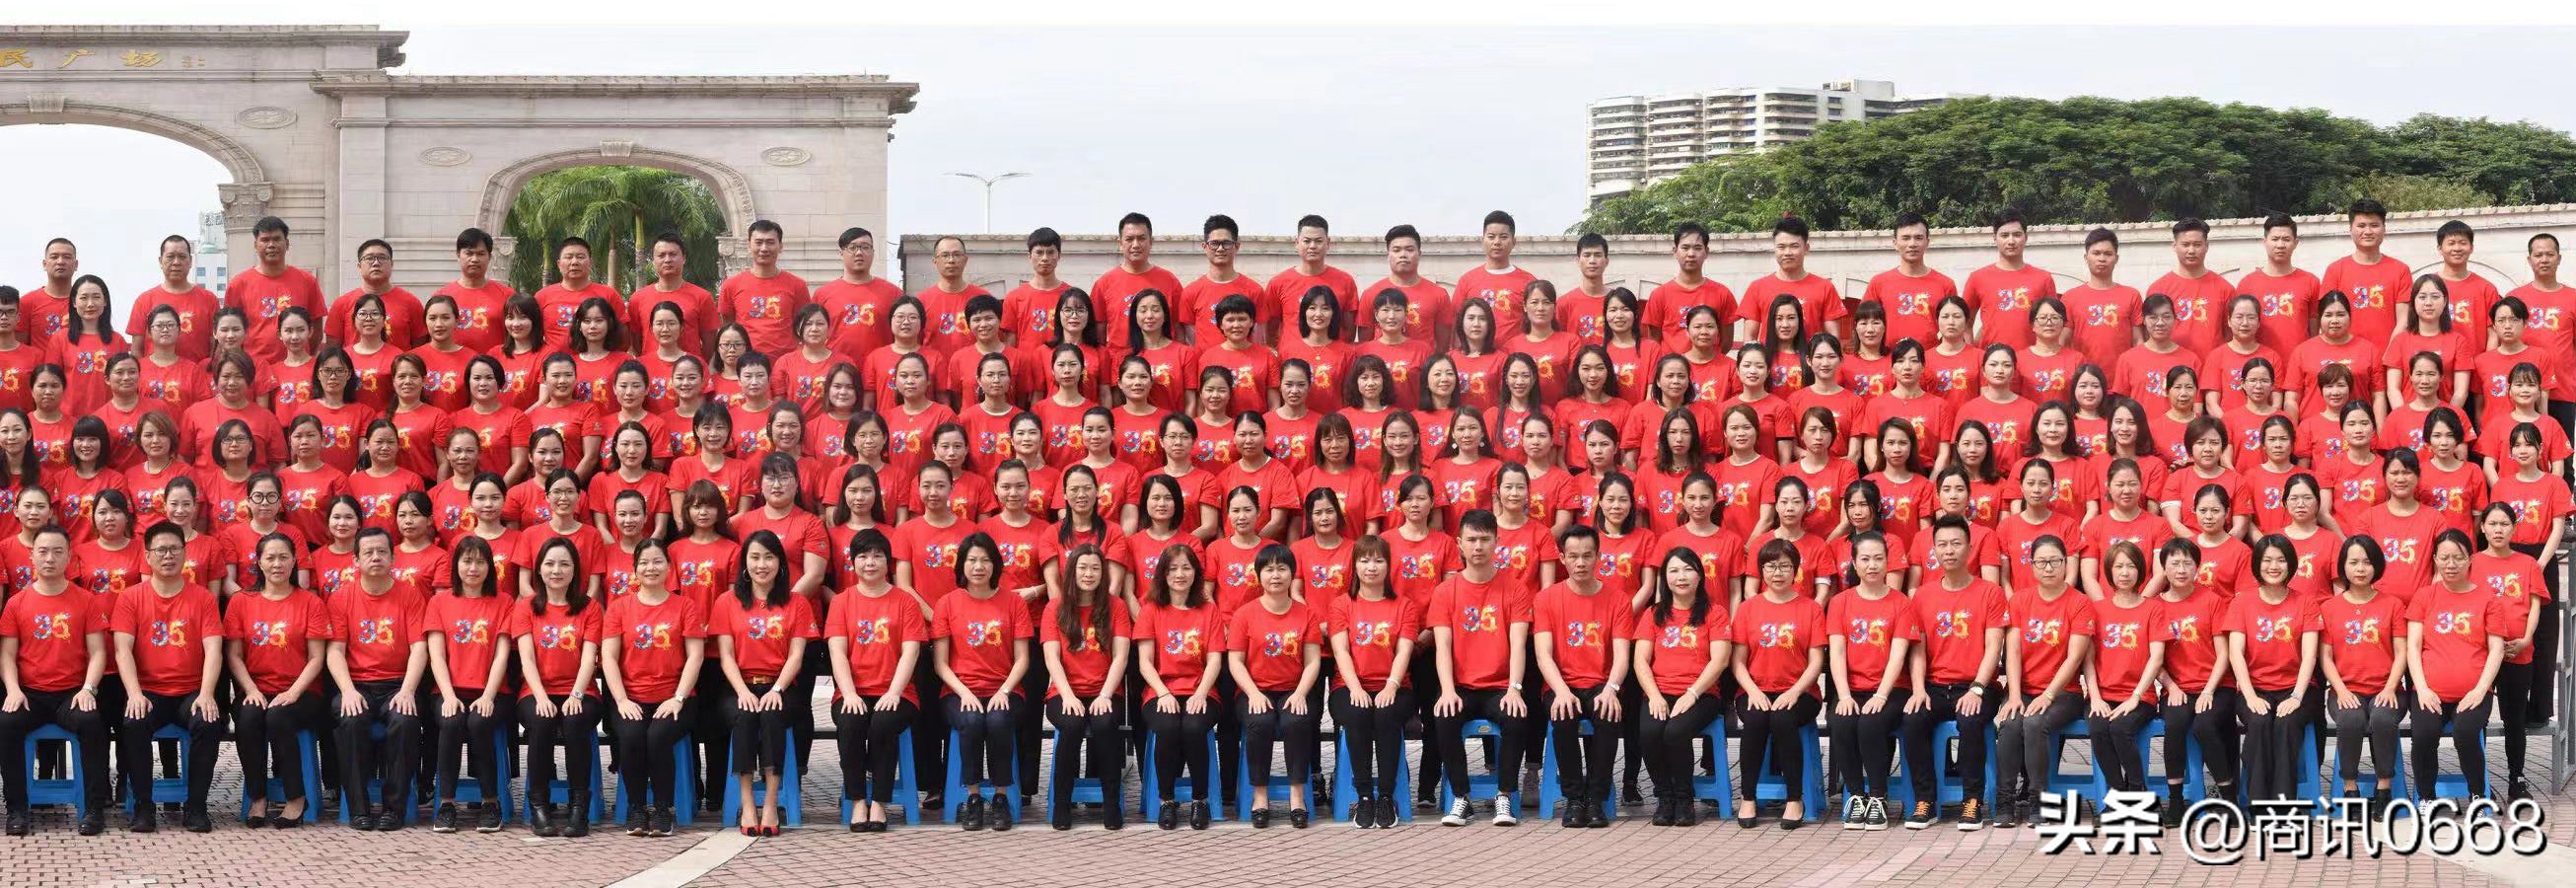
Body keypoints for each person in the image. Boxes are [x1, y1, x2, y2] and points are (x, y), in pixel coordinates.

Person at [0, 524, 112, 834]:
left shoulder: (86, 600)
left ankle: (93, 809)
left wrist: (89, 689)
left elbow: (98, 652)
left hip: (71, 694)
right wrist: (12, 690)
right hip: (30, 694)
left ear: (70, 558)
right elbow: (7, 655)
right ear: (31, 557)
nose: (50, 558)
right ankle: (17, 809)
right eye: (43, 551)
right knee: (7, 723)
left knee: (92, 723)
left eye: (57, 551)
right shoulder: (16, 603)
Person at [1897, 515, 2007, 830]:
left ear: (1970, 549)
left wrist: (1976, 688)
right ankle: (1925, 800)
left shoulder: (1989, 592)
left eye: (1956, 543)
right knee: (1912, 720)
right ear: (1933, 551)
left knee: (1971, 721)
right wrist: (1918, 688)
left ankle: (1972, 801)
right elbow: (1917, 650)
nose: (1949, 550)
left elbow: (1993, 647)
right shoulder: (1922, 596)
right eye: (1942, 545)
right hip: (1933, 685)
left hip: (1976, 685)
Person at [1427, 509, 1534, 827]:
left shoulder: (1514, 588)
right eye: (1471, 539)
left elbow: (1518, 644)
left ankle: (1505, 794)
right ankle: (1462, 797)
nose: (1478, 546)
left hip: (1499, 685)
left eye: (1485, 539)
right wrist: (1447, 690)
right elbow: (1442, 646)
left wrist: (1514, 688)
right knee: (1443, 714)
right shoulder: (1446, 591)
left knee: (1516, 715)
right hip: (1460, 685)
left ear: (1496, 543)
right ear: (1459, 543)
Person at [712, 530, 820, 837]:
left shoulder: (797, 603)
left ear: (781, 563)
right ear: (745, 564)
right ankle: (747, 803)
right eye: (755, 557)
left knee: (773, 716)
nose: (762, 564)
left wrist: (776, 690)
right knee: (745, 716)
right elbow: (726, 656)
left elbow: (796, 656)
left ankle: (771, 802)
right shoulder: (727, 601)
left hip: (781, 685)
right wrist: (743, 691)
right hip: (739, 685)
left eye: (769, 557)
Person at [322, 528, 425, 832]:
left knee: (405, 722)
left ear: (393, 557)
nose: (376, 557)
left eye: (382, 551)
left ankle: (394, 808)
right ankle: (359, 808)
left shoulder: (409, 593)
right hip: (357, 684)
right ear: (355, 560)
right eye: (368, 552)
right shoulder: (342, 597)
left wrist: (408, 690)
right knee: (350, 719)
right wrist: (348, 691)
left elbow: (420, 647)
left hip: (397, 684)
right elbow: (335, 652)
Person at [824, 528, 923, 832]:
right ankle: (857, 800)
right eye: (863, 556)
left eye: (878, 556)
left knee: (883, 722)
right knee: (851, 723)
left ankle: (879, 801)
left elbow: (911, 651)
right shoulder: (842, 601)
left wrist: (894, 692)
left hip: (897, 693)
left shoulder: (905, 601)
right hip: (852, 692)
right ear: (852, 562)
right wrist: (849, 693)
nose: (870, 562)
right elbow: (837, 652)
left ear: (888, 562)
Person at [930, 532, 1030, 831]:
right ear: (961, 565)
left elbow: (1023, 658)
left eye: (985, 560)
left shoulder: (1013, 603)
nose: (978, 567)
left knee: (999, 721)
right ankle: (973, 797)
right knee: (971, 721)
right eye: (972, 560)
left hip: (1005, 688)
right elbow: (941, 664)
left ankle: (1000, 798)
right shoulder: (947, 603)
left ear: (996, 565)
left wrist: (1004, 690)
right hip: (958, 690)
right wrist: (964, 692)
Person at [1532, 525, 1627, 828]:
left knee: (1609, 714)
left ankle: (1596, 798)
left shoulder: (1618, 598)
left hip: (1602, 682)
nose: (1581, 563)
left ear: (1599, 556)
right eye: (1573, 556)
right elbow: (1543, 654)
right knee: (1563, 716)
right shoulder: (1547, 599)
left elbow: (1622, 654)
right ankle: (1574, 798)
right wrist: (1560, 690)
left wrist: (1611, 689)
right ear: (1562, 558)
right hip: (1562, 683)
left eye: (1588, 555)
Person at [2406, 529, 2509, 807]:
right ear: (2435, 559)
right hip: (2429, 691)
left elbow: (2496, 649)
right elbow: (2413, 647)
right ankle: (2427, 797)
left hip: (2474, 691)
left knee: (2465, 733)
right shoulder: (2424, 597)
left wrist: (2480, 690)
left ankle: (2478, 795)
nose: (2451, 564)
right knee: (2424, 734)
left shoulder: (2488, 599)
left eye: (2458, 558)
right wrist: (2423, 689)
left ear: (2470, 560)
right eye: (2444, 558)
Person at [1730, 539, 1827, 830]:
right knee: (1757, 720)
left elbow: (1816, 662)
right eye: (1771, 566)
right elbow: (1737, 661)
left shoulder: (1810, 609)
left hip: (1802, 692)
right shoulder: (1748, 609)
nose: (1778, 572)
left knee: (1783, 719)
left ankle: (1794, 798)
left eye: (1785, 566)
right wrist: (1753, 691)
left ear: (1796, 571)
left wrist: (1795, 691)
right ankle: (1748, 797)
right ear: (1761, 570)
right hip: (1754, 689)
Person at [1326, 535, 1420, 830]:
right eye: (1365, 560)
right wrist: (1354, 687)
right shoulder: (1342, 605)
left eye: (1379, 560)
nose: (1371, 567)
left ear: (1389, 566)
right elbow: (1340, 650)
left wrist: (1391, 685)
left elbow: (1405, 649)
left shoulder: (1404, 605)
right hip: (1349, 686)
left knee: (1387, 714)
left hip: (1395, 686)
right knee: (1357, 714)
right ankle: (1364, 795)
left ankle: (1387, 796)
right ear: (1354, 566)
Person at [1225, 544, 1323, 829]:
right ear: (1258, 576)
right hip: (1255, 690)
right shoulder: (1244, 614)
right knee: (1260, 723)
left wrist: (1301, 693)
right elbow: (1236, 662)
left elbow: (1313, 661)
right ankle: (1260, 796)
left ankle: (1297, 796)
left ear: (1292, 574)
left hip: (1295, 688)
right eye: (1269, 569)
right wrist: (1253, 692)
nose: (1276, 575)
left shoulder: (1307, 614)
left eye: (1282, 568)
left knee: (1297, 722)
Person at [1825, 531, 1914, 831]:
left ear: (1888, 562)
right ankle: (1856, 795)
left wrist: (1880, 695)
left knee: (1871, 723)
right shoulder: (1840, 602)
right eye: (1865, 559)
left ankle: (1878, 795)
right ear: (1853, 563)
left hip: (1892, 689)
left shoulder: (1900, 602)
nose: (1872, 565)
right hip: (1851, 688)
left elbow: (1898, 655)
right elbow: (1837, 652)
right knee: (1841, 721)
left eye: (1878, 558)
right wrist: (1844, 695)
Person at [514, 537, 602, 838]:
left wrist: (576, 694)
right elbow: (526, 658)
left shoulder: (589, 608)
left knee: (576, 721)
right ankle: (539, 804)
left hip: (581, 691)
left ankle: (580, 806)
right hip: (536, 691)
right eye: (550, 564)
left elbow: (590, 656)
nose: (556, 570)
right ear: (539, 570)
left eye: (564, 564)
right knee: (541, 721)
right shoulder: (526, 607)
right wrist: (540, 696)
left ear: (575, 570)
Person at [2226, 536, 2321, 804]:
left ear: (2291, 564)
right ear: (2257, 564)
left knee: (2286, 724)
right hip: (2254, 688)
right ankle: (2257, 801)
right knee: (2258, 723)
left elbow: (2309, 655)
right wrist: (2251, 697)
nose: (2274, 566)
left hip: (2298, 689)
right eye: (2267, 560)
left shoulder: (2306, 602)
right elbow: (2236, 654)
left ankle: (2281, 802)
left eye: (2280, 560)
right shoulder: (2242, 602)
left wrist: (2296, 697)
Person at [2151, 538, 2237, 826]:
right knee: (2174, 724)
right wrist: (2171, 686)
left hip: (2216, 685)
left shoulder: (2212, 601)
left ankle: (2229, 798)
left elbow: (2223, 654)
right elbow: (2155, 660)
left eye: (2188, 562)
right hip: (2177, 688)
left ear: (2198, 567)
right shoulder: (2155, 607)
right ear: (2163, 568)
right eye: (2174, 563)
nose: (2181, 568)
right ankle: (2175, 801)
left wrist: (2209, 690)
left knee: (2204, 724)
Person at [2319, 536, 2404, 818]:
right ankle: (2350, 787)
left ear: (2377, 566)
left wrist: (2391, 687)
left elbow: (2402, 651)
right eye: (2353, 562)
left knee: (2381, 718)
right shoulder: (2330, 608)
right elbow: (2325, 656)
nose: (2360, 569)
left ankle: (2383, 788)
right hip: (2345, 689)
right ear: (2343, 566)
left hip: (2387, 689)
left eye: (2367, 562)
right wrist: (2341, 691)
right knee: (2351, 719)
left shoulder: (2393, 604)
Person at [2469, 503, 2547, 799]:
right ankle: (2478, 782)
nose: (2499, 529)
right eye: (2493, 524)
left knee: (2514, 719)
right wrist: (2488, 645)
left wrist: (2526, 638)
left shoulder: (2527, 564)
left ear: (2514, 529)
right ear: (2483, 528)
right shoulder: (2472, 562)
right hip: (2480, 655)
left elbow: (2535, 604)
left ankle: (2517, 778)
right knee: (2476, 718)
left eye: (2505, 524)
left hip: (2518, 652)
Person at [2084, 541, 2167, 808]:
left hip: (2139, 697)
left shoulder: (2152, 608)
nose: (2124, 572)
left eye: (2131, 566)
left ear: (2141, 571)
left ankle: (2137, 789)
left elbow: (2157, 657)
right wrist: (2095, 697)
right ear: (2108, 571)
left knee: (2120, 729)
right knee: (2098, 728)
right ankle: (2117, 793)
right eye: (2118, 566)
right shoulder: (2097, 609)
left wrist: (2136, 696)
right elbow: (2088, 658)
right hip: (2103, 694)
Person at [223, 217, 324, 364]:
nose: (271, 245)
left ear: (287, 244)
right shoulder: (238, 284)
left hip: (297, 366)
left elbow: (316, 328)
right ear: (255, 245)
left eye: (277, 239)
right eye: (265, 240)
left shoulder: (306, 281)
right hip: (254, 367)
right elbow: (229, 329)